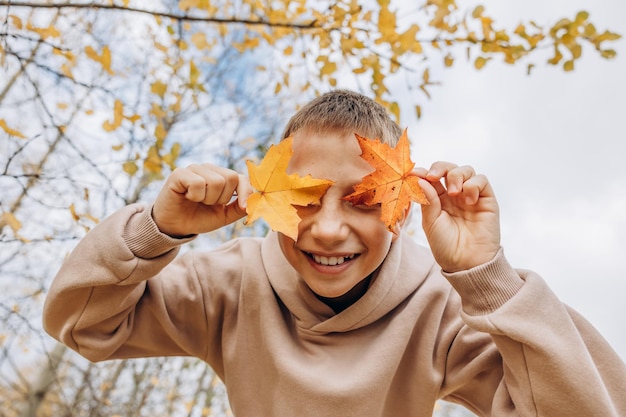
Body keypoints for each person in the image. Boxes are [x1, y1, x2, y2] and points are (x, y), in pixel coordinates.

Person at [43, 90, 626, 416]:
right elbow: (81, 322)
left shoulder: (442, 312)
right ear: (267, 193)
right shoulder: (228, 284)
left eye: (364, 201)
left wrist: (486, 279)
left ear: (404, 203)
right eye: (306, 198)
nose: (327, 229)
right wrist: (153, 232)